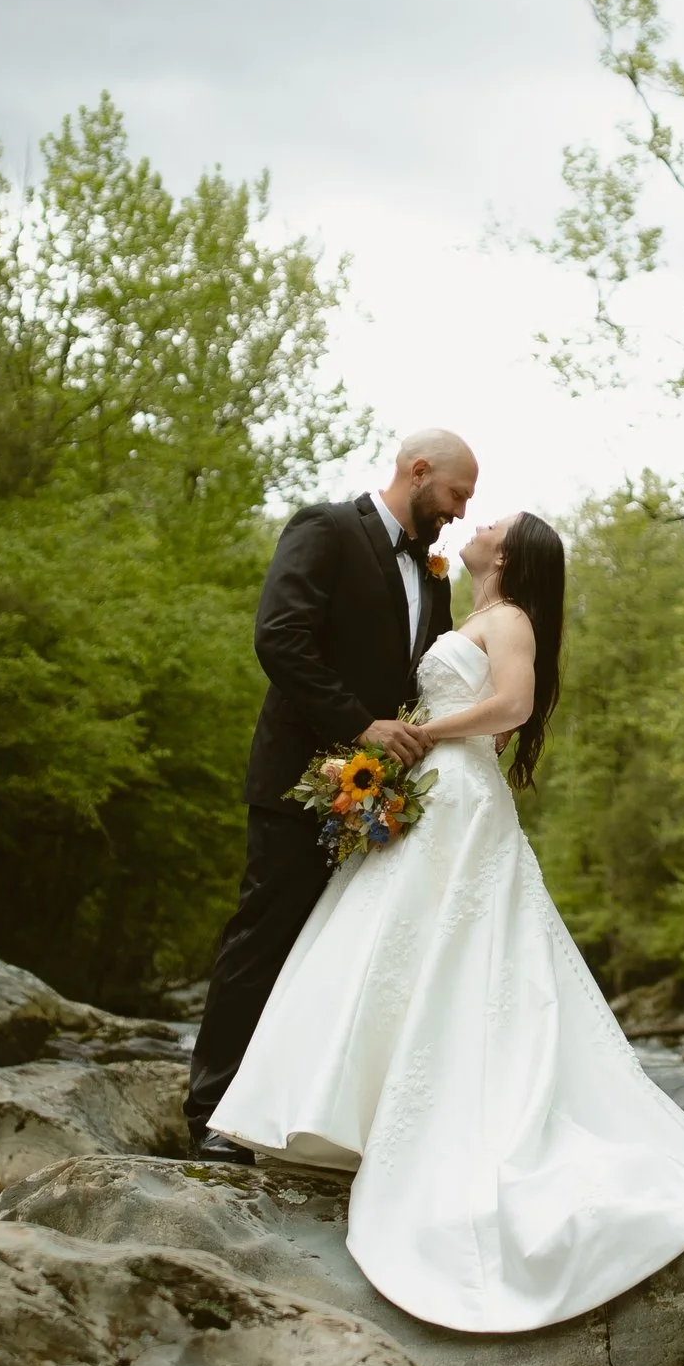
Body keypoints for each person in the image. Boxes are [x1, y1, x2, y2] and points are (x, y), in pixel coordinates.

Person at [211, 506, 684, 1333]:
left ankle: (448, 1121)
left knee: (463, 950)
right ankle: (349, 1113)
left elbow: (512, 706)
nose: (475, 520)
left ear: (512, 554)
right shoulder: (470, 610)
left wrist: (422, 733)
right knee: (398, 944)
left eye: (494, 518)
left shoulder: (512, 618)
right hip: (435, 795)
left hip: (460, 796)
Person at [186, 429, 479, 1137]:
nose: (462, 512)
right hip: (299, 781)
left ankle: (288, 1115)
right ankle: (210, 1115)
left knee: (334, 955)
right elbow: (279, 637)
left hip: (380, 798)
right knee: (264, 939)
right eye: (456, 494)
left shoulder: (435, 571)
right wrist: (360, 725)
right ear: (417, 472)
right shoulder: (324, 528)